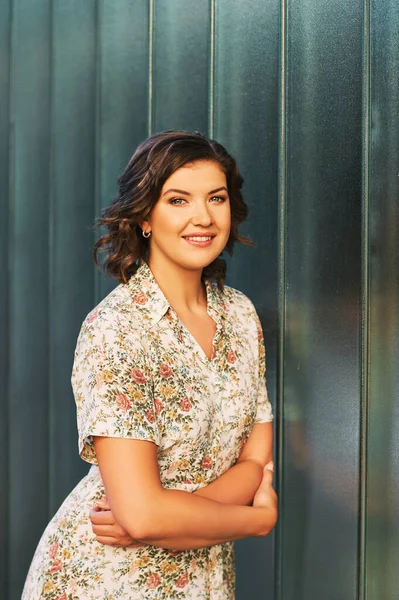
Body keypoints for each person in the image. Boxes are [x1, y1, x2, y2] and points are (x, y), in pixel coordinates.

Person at [22, 130, 278, 599]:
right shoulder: (117, 330)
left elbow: (256, 462)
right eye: (178, 200)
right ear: (143, 216)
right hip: (109, 574)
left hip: (204, 573)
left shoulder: (240, 314)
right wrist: (256, 520)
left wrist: (165, 518)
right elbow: (140, 515)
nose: (203, 217)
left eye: (216, 198)